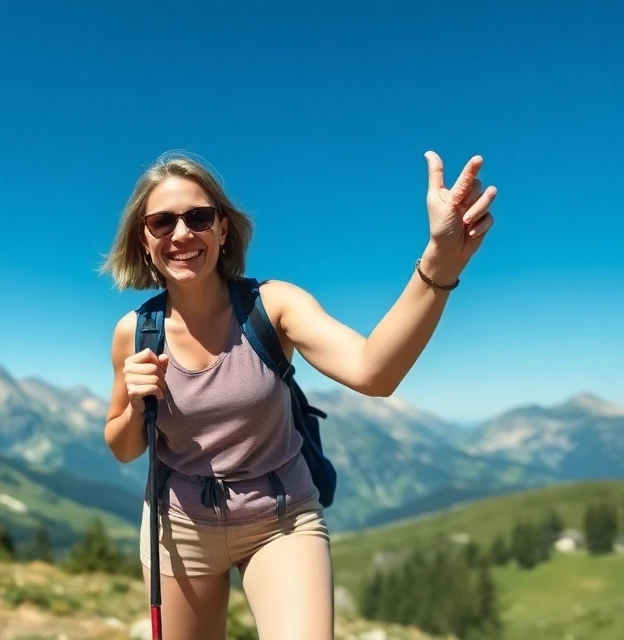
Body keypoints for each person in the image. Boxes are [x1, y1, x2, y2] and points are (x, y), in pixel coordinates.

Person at [98, 150, 496, 639]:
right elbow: (122, 448)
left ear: (223, 229)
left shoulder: (274, 305)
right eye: (161, 222)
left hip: (281, 522)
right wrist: (137, 406)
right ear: (145, 238)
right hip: (179, 528)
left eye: (198, 217)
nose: (181, 234)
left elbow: (374, 372)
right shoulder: (135, 333)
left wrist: (441, 261)